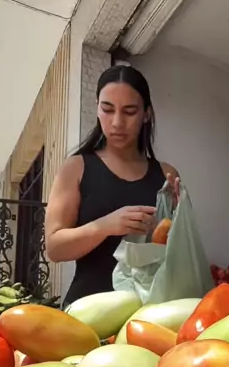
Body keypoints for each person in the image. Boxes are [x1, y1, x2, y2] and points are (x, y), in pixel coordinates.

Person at [45, 64, 179, 305]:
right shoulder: (76, 168)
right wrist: (105, 225)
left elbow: (178, 254)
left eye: (129, 111)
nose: (117, 122)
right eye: (107, 109)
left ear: (146, 114)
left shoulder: (166, 175)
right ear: (97, 108)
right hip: (88, 310)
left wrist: (178, 221)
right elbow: (54, 248)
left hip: (149, 312)